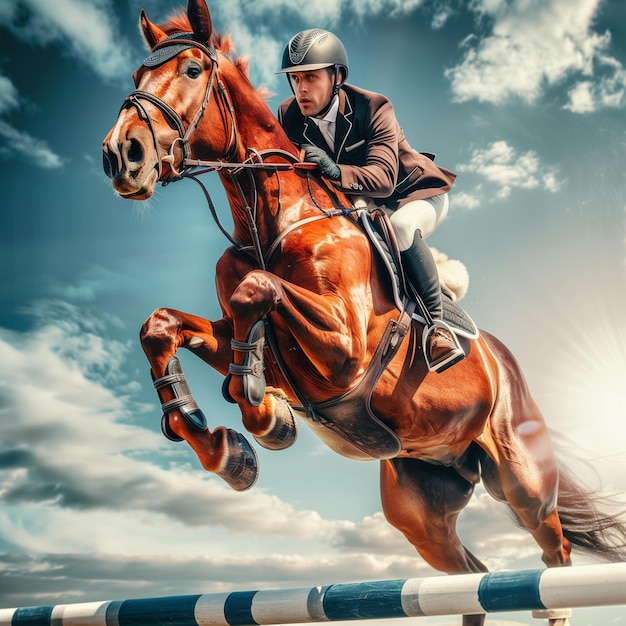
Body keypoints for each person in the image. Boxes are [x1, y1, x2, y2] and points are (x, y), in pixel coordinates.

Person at [276, 28, 465, 373]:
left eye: (311, 78)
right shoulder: (290, 116)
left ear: (336, 77)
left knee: (401, 226)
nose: (301, 89)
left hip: (414, 194)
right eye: (295, 79)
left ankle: (438, 328)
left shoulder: (373, 107)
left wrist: (334, 170)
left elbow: (382, 179)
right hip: (362, 203)